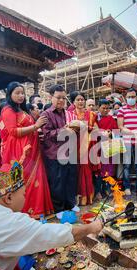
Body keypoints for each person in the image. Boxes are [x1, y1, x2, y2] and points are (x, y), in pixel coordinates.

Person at [1, 82, 53, 219]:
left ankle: (37, 210)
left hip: (33, 149)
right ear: (10, 94)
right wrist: (36, 126)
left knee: (36, 177)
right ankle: (24, 212)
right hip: (20, 151)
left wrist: (39, 127)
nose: (20, 96)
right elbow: (13, 131)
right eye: (17, 93)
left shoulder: (22, 110)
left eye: (22, 93)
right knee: (23, 179)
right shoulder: (8, 110)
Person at [41, 85, 78, 213]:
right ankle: (59, 209)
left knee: (70, 179)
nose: (61, 100)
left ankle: (70, 204)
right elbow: (46, 134)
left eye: (64, 98)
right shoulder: (46, 114)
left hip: (69, 151)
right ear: (51, 97)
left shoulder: (68, 114)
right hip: (54, 153)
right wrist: (64, 130)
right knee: (57, 182)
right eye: (58, 97)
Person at [67, 91, 99, 206]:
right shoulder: (69, 114)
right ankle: (76, 198)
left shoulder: (91, 114)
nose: (80, 102)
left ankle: (87, 198)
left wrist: (88, 129)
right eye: (78, 100)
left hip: (88, 145)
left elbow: (96, 130)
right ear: (73, 102)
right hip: (73, 145)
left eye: (82, 99)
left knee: (86, 171)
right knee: (75, 171)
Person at [117, 88, 137, 197]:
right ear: (126, 98)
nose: (131, 99)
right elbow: (120, 127)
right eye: (129, 97)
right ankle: (127, 187)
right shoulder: (122, 110)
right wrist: (131, 132)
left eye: (133, 96)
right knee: (126, 165)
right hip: (127, 141)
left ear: (136, 97)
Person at [94, 99, 118, 199]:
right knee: (99, 170)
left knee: (109, 170)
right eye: (103, 108)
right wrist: (101, 132)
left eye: (107, 108)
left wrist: (110, 133)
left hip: (109, 148)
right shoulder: (95, 118)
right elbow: (93, 130)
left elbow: (116, 132)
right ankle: (98, 191)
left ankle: (108, 189)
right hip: (98, 148)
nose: (105, 110)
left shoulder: (111, 119)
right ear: (98, 108)